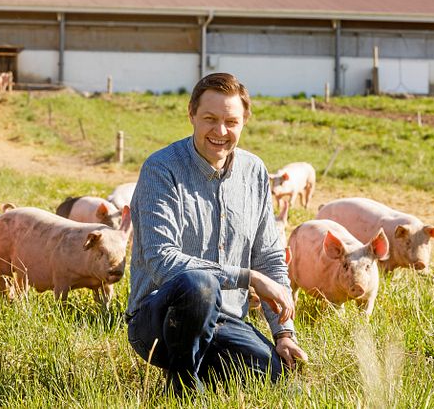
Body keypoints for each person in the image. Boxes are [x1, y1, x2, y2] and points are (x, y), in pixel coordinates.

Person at [125, 73, 308, 394]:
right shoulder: (161, 170)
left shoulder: (254, 174)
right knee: (199, 283)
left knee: (275, 374)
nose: (220, 131)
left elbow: (269, 259)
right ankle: (182, 388)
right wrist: (247, 278)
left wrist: (284, 334)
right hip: (158, 320)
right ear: (191, 115)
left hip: (226, 321)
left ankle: (200, 370)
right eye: (210, 119)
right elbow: (161, 261)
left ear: (244, 122)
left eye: (231, 121)